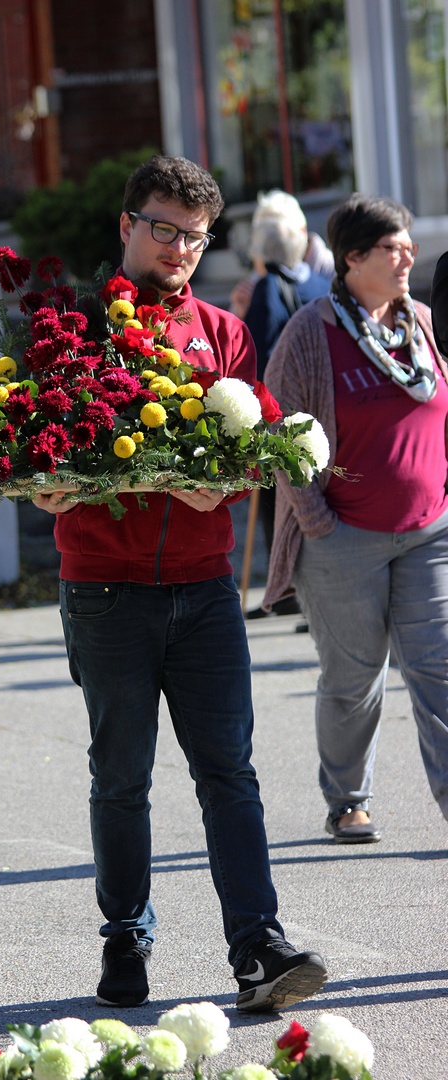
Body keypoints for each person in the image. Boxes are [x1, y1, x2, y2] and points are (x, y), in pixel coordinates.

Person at [33, 155, 327, 1012]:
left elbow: (253, 447)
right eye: (164, 229)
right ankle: (126, 934)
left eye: (196, 237)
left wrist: (230, 485)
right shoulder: (72, 326)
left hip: (203, 590)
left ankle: (259, 950)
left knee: (229, 774)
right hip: (105, 588)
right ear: (126, 226)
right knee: (121, 777)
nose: (181, 249)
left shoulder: (223, 332)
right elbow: (34, 442)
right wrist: (43, 482)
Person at [263, 193, 448, 843]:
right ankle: (347, 799)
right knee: (355, 680)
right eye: (394, 248)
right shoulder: (312, 332)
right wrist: (317, 522)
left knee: (440, 667)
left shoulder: (423, 321)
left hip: (431, 532)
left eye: (409, 246)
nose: (408, 258)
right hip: (344, 539)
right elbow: (278, 431)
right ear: (353, 258)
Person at [240, 196, 331, 620]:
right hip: (318, 404)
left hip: (278, 407)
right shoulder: (319, 284)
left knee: (279, 498)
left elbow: (254, 346)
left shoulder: (265, 287)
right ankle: (302, 593)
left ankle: (286, 589)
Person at [229, 189, 334, 322]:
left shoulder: (334, 272)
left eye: (276, 242)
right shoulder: (258, 282)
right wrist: (241, 316)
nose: (269, 258)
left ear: (302, 232)